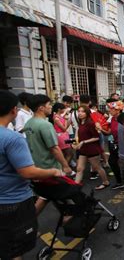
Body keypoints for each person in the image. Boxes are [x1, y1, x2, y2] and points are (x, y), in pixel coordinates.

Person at [0, 90, 62, 260]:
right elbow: (27, 171)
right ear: (13, 110)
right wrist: (54, 171)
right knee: (15, 250)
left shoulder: (27, 126)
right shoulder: (12, 138)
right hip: (13, 201)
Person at [23, 94, 72, 214]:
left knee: (46, 196)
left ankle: (30, 222)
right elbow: (54, 148)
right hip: (50, 168)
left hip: (37, 166)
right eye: (49, 105)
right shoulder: (45, 125)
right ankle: (70, 219)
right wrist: (65, 165)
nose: (51, 107)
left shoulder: (29, 123)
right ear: (41, 108)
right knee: (66, 193)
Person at [72, 105, 110, 190]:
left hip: (92, 149)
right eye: (79, 111)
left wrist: (83, 142)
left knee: (97, 167)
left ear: (87, 113)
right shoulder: (80, 122)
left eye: (83, 111)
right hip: (83, 149)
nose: (80, 113)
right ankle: (75, 186)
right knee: (79, 168)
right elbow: (80, 135)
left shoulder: (90, 123)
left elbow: (96, 137)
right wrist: (76, 143)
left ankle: (106, 182)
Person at [49, 103, 74, 167]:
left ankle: (63, 168)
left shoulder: (60, 116)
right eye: (63, 108)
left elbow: (66, 127)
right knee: (69, 153)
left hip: (65, 136)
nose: (65, 109)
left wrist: (69, 120)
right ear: (59, 109)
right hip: (62, 137)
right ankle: (64, 168)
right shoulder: (56, 118)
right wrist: (66, 120)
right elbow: (64, 129)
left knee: (68, 152)